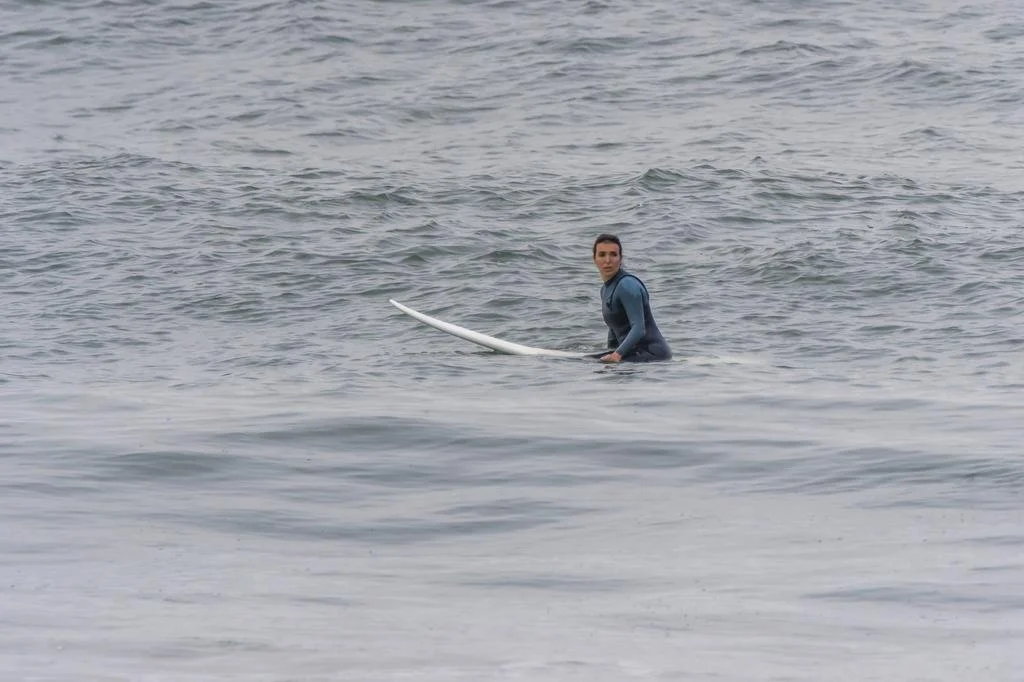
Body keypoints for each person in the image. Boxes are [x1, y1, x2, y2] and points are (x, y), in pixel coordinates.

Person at [592, 233, 672, 363]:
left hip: (652, 353)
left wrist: (616, 355)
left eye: (613, 254)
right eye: (602, 255)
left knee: (591, 363)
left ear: (620, 258)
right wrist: (610, 351)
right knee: (595, 361)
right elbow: (614, 329)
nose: (607, 260)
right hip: (632, 351)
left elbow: (639, 328)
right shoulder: (605, 289)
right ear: (594, 259)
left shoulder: (627, 285)